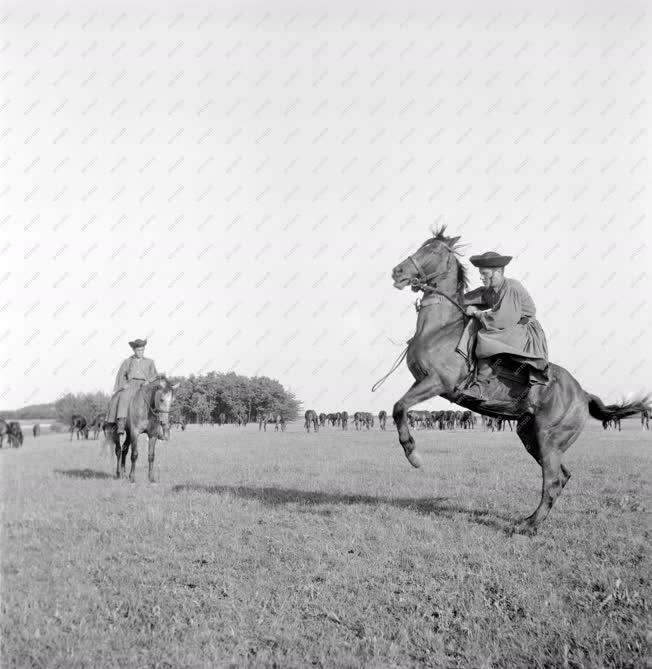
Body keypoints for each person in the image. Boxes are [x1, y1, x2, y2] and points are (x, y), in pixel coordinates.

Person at [457, 251, 549, 400]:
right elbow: (462, 300)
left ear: (498, 272)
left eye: (485, 274)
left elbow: (502, 320)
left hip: (526, 331)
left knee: (484, 336)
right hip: (513, 327)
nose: (481, 277)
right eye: (480, 273)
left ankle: (481, 385)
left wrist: (476, 313)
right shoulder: (491, 291)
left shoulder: (511, 287)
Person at [107, 339, 158, 434]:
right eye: (138, 350)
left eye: (142, 350)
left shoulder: (150, 362)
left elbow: (155, 375)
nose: (140, 352)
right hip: (131, 385)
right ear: (134, 350)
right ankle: (121, 422)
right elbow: (121, 375)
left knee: (158, 399)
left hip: (145, 386)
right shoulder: (127, 362)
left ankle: (160, 424)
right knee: (123, 396)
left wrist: (148, 381)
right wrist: (124, 384)